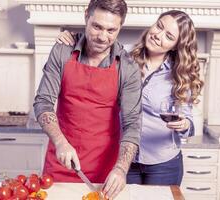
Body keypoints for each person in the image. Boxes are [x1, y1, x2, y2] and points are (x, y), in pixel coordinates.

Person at [56, 10, 203, 186]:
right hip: (123, 161)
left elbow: (189, 123)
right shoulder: (122, 54)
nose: (158, 35)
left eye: (168, 36)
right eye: (159, 26)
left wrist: (185, 124)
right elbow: (96, 43)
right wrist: (73, 38)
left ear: (176, 46)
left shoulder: (179, 75)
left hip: (163, 163)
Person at [33, 0, 142, 199]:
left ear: (120, 27)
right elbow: (43, 102)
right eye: (97, 26)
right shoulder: (62, 51)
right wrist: (60, 142)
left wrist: (121, 169)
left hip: (106, 170)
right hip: (61, 160)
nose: (102, 37)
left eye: (111, 30)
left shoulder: (128, 67)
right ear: (86, 17)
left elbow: (132, 123)